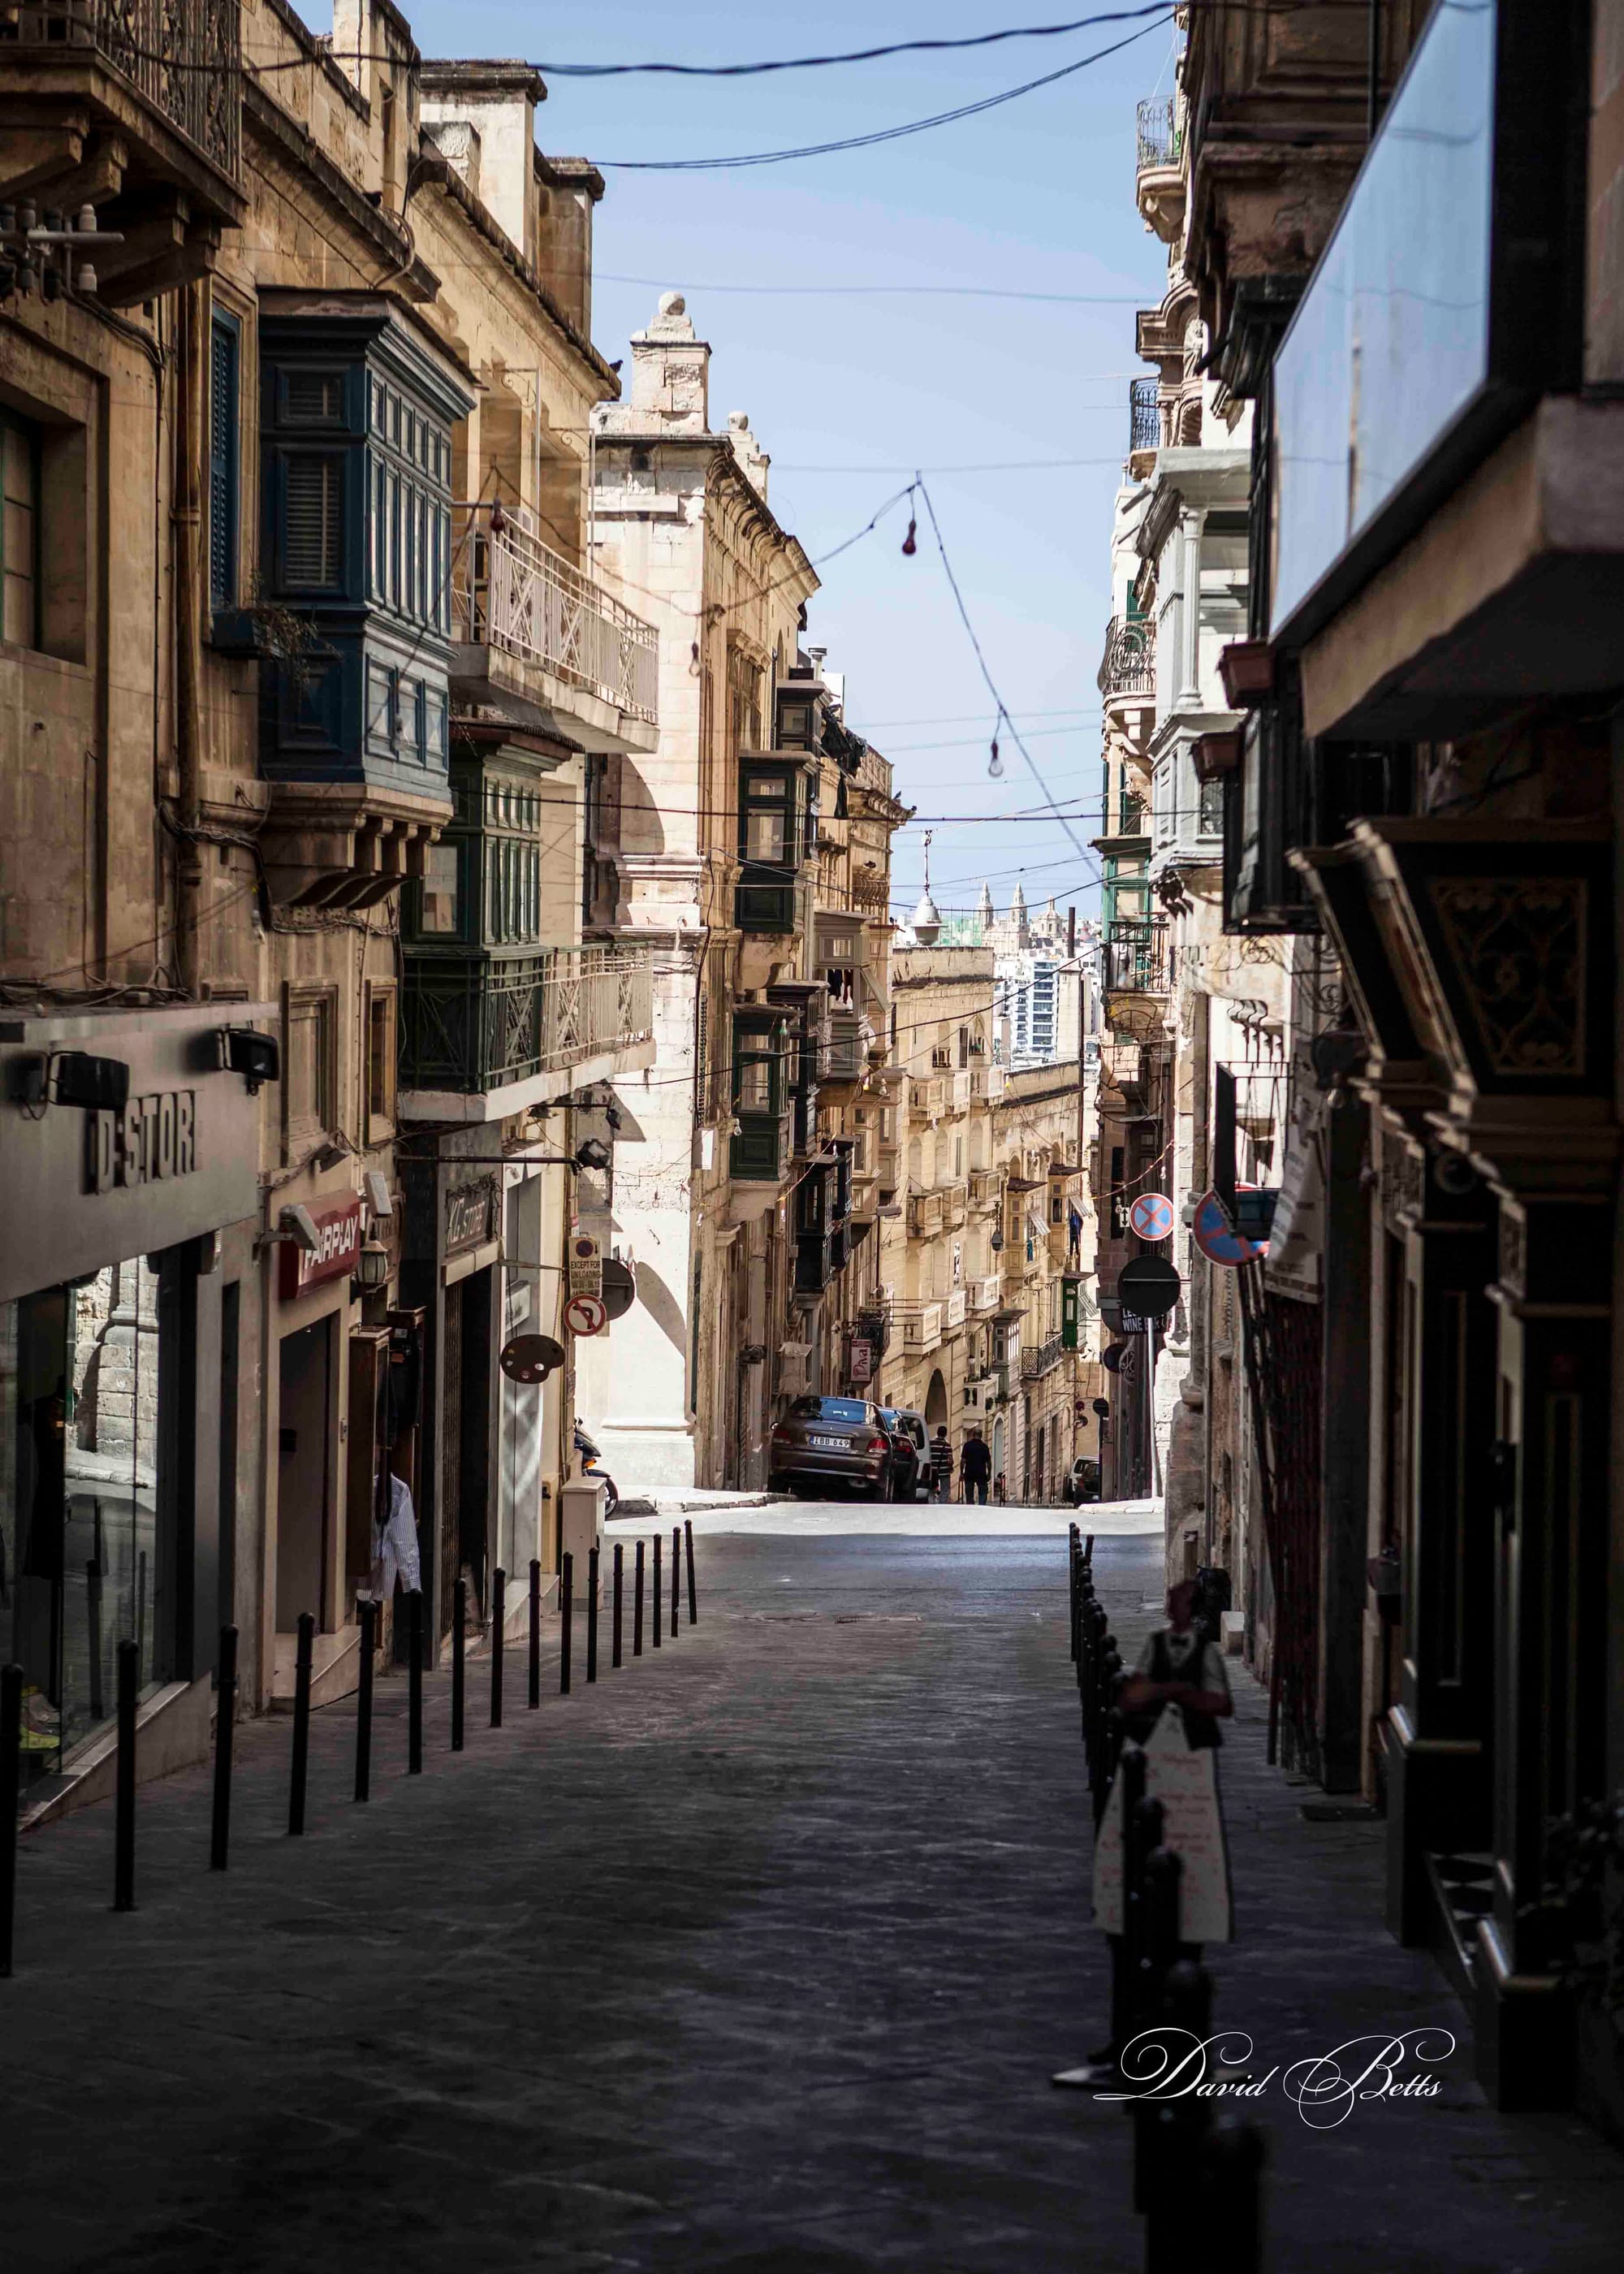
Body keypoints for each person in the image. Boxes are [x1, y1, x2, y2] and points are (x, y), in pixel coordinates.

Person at [1121, 1577, 1233, 1748]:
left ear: (1191, 1609)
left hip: (1197, 1743)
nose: (1172, 1606)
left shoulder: (1206, 1651)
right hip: (1157, 1738)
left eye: (1179, 1602)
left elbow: (1223, 1705)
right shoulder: (1155, 1643)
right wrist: (1165, 1691)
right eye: (1173, 1601)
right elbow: (1131, 1695)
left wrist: (1187, 1696)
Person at [366, 1471, 421, 1604]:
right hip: (377, 1577)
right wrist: (411, 1582)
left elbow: (404, 1537)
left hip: (368, 1575)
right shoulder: (396, 1489)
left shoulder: (396, 1489)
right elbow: (405, 1539)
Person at [959, 1426, 991, 1506]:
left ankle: (970, 1506)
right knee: (983, 1492)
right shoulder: (984, 1447)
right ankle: (982, 1506)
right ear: (981, 1436)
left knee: (969, 1493)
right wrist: (989, 1473)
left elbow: (963, 1460)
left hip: (969, 1472)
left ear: (973, 1435)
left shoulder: (967, 1446)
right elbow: (988, 1462)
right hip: (981, 1472)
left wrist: (961, 1473)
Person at [929, 1425, 953, 1502]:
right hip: (944, 1472)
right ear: (945, 1434)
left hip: (932, 1471)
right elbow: (950, 1460)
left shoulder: (930, 1444)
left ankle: (931, 1505)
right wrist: (951, 1466)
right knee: (944, 1491)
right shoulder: (947, 1446)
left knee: (931, 1490)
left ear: (937, 1433)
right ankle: (942, 1506)